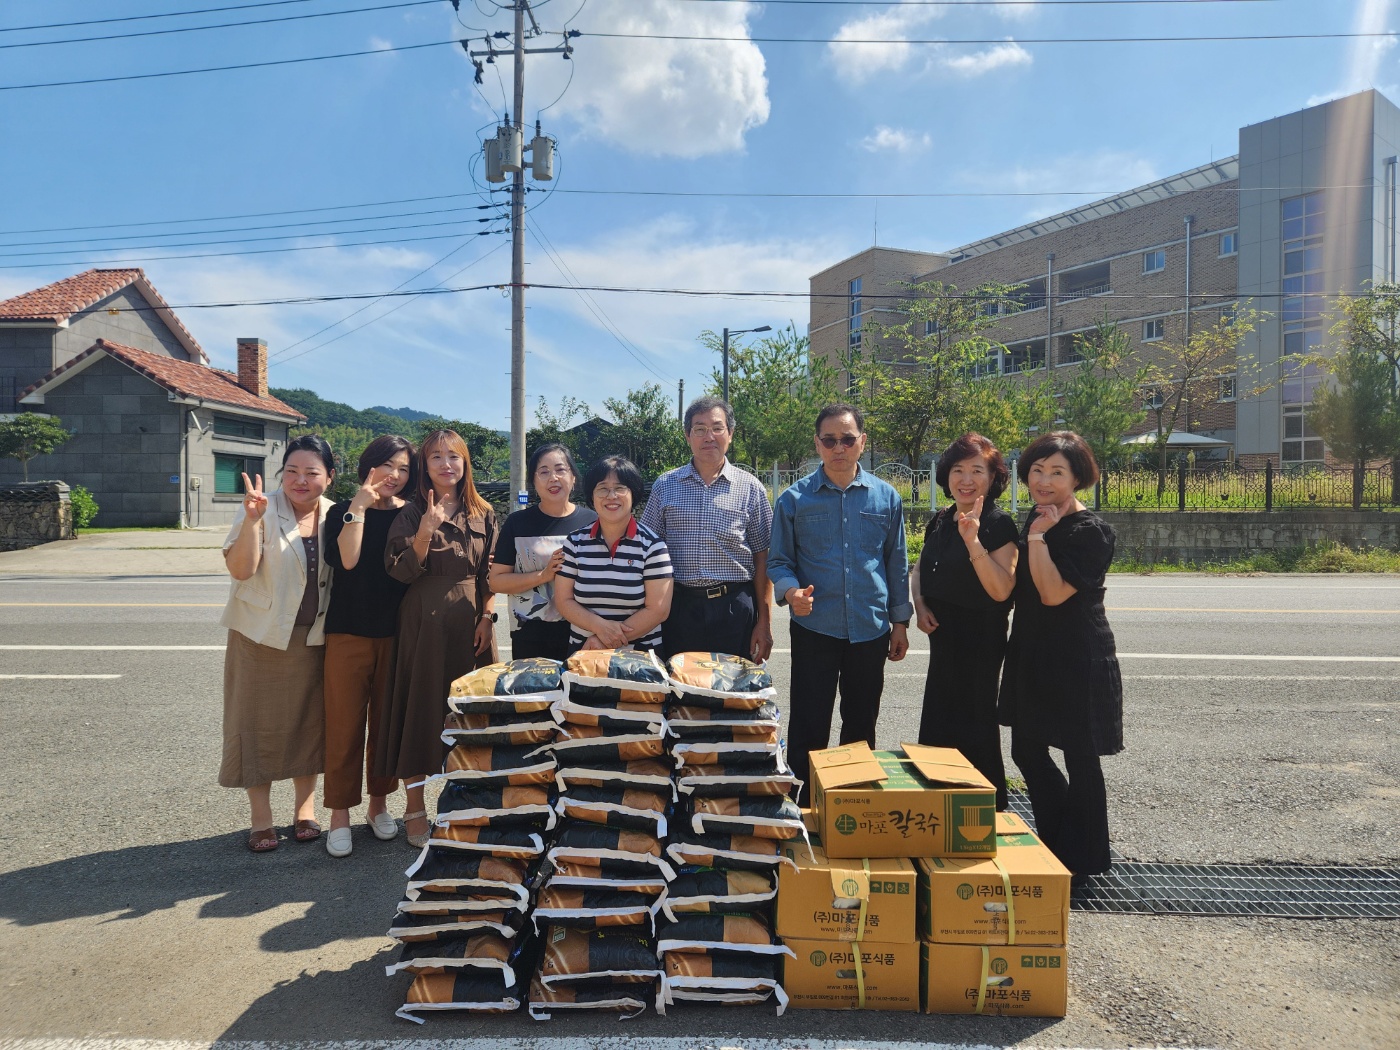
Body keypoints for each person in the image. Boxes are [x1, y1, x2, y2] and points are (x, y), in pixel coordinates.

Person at [998, 431, 1123, 883]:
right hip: (1032, 649)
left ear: (1077, 478)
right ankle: (1058, 838)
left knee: (1080, 755)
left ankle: (1085, 858)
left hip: (1077, 654)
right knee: (1026, 749)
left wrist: (1039, 538)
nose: (1044, 481)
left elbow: (1052, 593)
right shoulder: (1039, 517)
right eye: (1036, 470)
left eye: (1056, 472)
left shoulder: (1091, 532)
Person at [767, 403, 912, 791]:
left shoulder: (886, 498)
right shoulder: (794, 500)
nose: (839, 447)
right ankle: (802, 807)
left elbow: (896, 563)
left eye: (847, 439)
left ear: (862, 442)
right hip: (816, 627)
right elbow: (779, 562)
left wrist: (900, 623)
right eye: (829, 440)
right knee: (809, 724)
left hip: (870, 627)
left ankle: (854, 805)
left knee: (861, 722)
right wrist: (791, 592)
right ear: (817, 444)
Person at [375, 429, 498, 848]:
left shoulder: (484, 512)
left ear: (465, 463)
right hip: (424, 621)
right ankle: (414, 809)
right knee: (421, 711)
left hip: (472, 624)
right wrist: (426, 531)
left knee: (471, 716)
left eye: (454, 456)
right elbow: (399, 570)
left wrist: (487, 616)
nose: (446, 464)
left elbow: (490, 575)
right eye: (436, 458)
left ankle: (467, 803)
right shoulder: (411, 512)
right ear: (424, 466)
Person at [219, 434, 336, 852]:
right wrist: (252, 521)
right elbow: (241, 569)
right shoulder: (260, 508)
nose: (299, 480)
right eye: (291, 471)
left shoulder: (336, 515)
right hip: (260, 637)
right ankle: (260, 819)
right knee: (256, 725)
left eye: (311, 472)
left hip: (314, 638)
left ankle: (305, 810)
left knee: (308, 724)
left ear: (329, 478)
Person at [320, 435, 416, 858]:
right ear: (369, 466)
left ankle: (378, 805)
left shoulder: (411, 515)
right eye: (387, 465)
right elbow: (348, 561)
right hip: (348, 633)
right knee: (343, 726)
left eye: (404, 469)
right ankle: (339, 814)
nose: (394, 476)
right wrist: (358, 506)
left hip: (396, 635)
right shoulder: (341, 512)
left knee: (384, 727)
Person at [912, 433, 1019, 810]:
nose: (966, 479)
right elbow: (919, 569)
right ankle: (938, 805)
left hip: (980, 639)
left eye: (978, 470)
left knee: (975, 722)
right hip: (943, 637)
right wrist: (920, 604)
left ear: (993, 478)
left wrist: (973, 542)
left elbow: (1002, 589)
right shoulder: (941, 519)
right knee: (939, 717)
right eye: (958, 470)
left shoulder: (998, 523)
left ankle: (983, 808)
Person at [641, 396, 774, 661]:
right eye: (699, 429)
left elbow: (764, 557)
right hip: (679, 608)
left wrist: (764, 622)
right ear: (687, 435)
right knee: (681, 691)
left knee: (734, 691)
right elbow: (646, 551)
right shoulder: (665, 486)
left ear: (731, 434)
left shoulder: (750, 488)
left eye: (717, 428)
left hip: (734, 608)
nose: (708, 436)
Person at [488, 443, 597, 661]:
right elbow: (496, 582)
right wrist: (543, 576)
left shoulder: (593, 521)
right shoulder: (517, 523)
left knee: (578, 694)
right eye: (544, 472)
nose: (553, 478)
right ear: (533, 481)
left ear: (573, 477)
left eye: (560, 469)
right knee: (535, 695)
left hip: (584, 632)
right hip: (530, 634)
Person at [554, 455, 673, 654]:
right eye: (602, 488)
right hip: (585, 652)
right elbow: (563, 600)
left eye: (620, 488)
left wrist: (604, 641)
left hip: (639, 657)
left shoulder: (653, 546)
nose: (611, 496)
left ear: (633, 493)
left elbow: (658, 610)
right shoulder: (575, 543)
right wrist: (600, 628)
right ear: (592, 496)